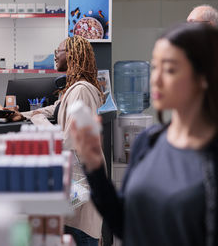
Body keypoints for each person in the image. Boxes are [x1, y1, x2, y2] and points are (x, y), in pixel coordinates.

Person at [70, 22, 218, 246]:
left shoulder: (211, 158)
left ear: (204, 76)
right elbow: (124, 223)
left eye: (169, 69)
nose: (155, 80)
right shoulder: (149, 142)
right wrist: (95, 167)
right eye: (155, 67)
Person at [25, 35, 105, 246]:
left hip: (81, 188)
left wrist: (38, 119)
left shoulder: (81, 91)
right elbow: (56, 108)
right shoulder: (75, 88)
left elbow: (68, 141)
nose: (55, 56)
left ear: (71, 55)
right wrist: (22, 114)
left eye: (58, 52)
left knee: (81, 235)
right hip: (75, 186)